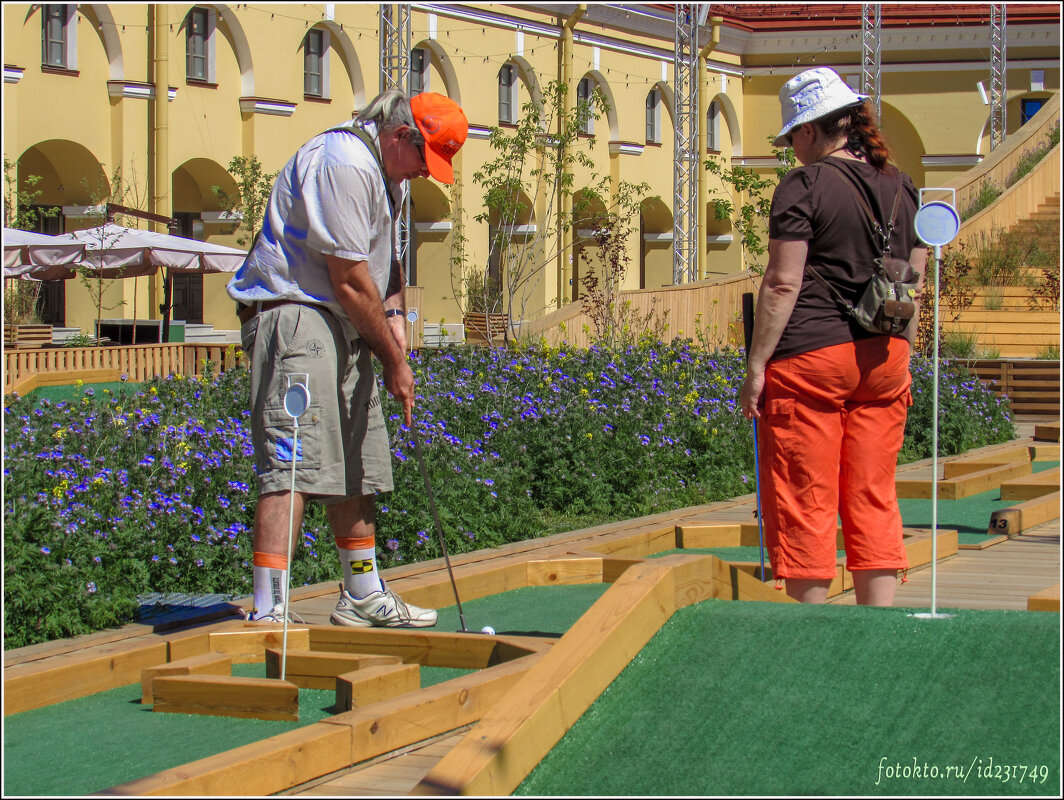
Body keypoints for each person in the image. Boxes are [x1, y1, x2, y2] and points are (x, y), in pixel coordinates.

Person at [227, 90, 468, 626]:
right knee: (293, 459)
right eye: (422, 162)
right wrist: (395, 361)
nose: (423, 175)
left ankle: (361, 593)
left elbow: (383, 263)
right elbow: (350, 279)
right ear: (401, 134)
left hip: (344, 317)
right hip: (296, 311)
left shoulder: (388, 177)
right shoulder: (343, 164)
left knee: (360, 457)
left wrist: (397, 317)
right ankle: (270, 608)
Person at [739, 68, 927, 607]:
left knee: (805, 496)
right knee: (872, 492)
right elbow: (911, 279)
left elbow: (782, 283)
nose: (791, 148)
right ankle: (875, 629)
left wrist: (756, 368)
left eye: (791, 136)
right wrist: (905, 351)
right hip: (885, 355)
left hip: (811, 359)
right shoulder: (901, 186)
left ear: (810, 130)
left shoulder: (804, 186)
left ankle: (811, 636)